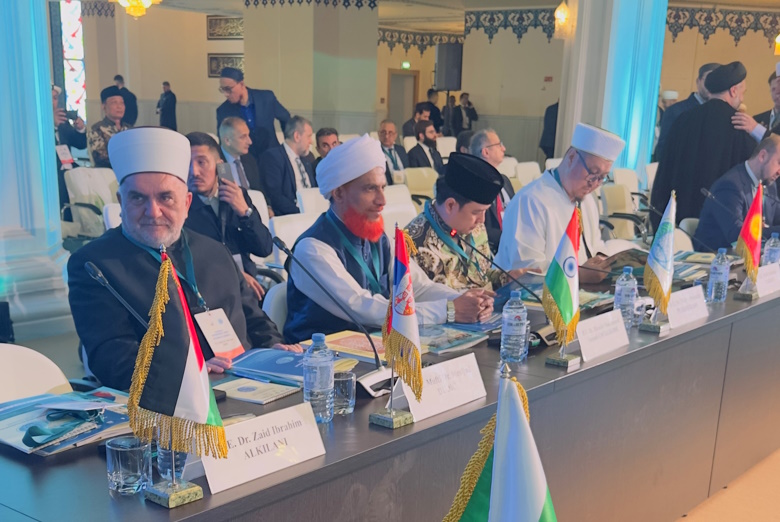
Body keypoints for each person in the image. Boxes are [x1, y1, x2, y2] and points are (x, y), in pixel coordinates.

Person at [67, 127, 297, 390]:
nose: (153, 212)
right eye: (138, 198)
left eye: (165, 197)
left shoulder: (215, 251)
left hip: (250, 387)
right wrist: (189, 376)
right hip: (170, 402)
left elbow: (254, 318)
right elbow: (114, 360)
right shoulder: (94, 265)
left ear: (186, 203)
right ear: (121, 201)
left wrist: (273, 348)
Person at [283, 134, 494, 343]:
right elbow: (361, 307)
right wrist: (449, 310)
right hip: (321, 358)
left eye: (383, 187)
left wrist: (466, 300)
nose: (382, 200)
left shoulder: (379, 238)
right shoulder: (312, 249)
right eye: (370, 189)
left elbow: (418, 287)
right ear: (338, 193)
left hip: (377, 348)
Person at [495, 123, 626, 283]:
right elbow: (526, 271)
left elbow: (594, 246)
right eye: (593, 173)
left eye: (602, 177)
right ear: (571, 158)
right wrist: (578, 275)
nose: (595, 184)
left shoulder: (587, 200)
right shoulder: (531, 201)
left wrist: (602, 261)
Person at [650, 61, 758, 230]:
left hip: (677, 214)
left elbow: (665, 166)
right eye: (743, 92)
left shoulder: (683, 119)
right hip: (720, 222)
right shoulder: (740, 126)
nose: (742, 98)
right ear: (733, 91)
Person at [406, 153, 533, 290]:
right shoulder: (411, 245)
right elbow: (419, 300)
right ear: (450, 205)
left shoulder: (475, 226)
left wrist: (507, 278)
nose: (482, 220)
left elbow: (481, 276)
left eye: (485, 211)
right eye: (476, 212)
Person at [184, 131, 272, 301]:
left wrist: (245, 212)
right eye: (187, 163)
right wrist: (233, 273)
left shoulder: (238, 196)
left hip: (248, 292)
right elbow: (187, 259)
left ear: (219, 166)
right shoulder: (181, 206)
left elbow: (264, 248)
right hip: (206, 292)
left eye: (201, 162)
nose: (194, 172)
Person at [694, 135, 780, 252]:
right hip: (716, 257)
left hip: (752, 257)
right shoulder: (730, 186)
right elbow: (737, 235)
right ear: (762, 156)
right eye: (779, 163)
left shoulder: (769, 184)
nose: (779, 171)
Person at [216, 67, 290, 162]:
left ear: (241, 84)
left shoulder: (266, 98)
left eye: (228, 89)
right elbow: (223, 141)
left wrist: (287, 146)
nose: (226, 94)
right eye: (222, 89)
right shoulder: (223, 110)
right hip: (245, 162)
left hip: (272, 157)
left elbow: (286, 118)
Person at [655, 63, 719, 160]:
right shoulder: (676, 111)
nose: (711, 85)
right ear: (698, 81)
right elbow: (663, 151)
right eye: (708, 80)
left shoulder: (720, 114)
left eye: (716, 81)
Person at [258, 115, 316, 216]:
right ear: (297, 136)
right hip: (290, 217)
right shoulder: (273, 157)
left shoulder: (308, 159)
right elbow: (275, 196)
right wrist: (303, 212)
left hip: (311, 213)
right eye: (308, 136)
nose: (311, 141)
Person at [470, 129, 515, 254]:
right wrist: (510, 238)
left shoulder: (504, 180)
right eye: (499, 145)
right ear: (486, 152)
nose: (504, 148)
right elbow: (477, 227)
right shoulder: (475, 183)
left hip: (513, 245)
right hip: (490, 249)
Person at [52, 85, 87, 217]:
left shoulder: (63, 121)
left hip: (68, 169)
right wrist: (52, 125)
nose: (53, 102)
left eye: (55, 98)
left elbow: (80, 144)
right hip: (52, 173)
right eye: (49, 98)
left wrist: (80, 129)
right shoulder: (34, 122)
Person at [87, 85, 132, 168]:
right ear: (103, 106)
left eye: (122, 103)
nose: (119, 106)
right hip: (106, 173)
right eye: (114, 103)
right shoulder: (97, 129)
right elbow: (101, 158)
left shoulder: (129, 129)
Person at [219, 116, 264, 193]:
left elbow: (259, 190)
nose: (250, 142)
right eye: (243, 137)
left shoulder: (249, 159)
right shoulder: (217, 162)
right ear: (227, 141)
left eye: (248, 135)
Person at [735, 71, 780, 140]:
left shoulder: (754, 125)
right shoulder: (757, 119)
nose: (777, 93)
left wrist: (756, 128)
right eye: (773, 89)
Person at [378, 119, 409, 185]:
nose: (386, 136)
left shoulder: (401, 150)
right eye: (383, 132)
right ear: (379, 134)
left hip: (405, 186)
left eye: (390, 133)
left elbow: (408, 169)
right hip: (388, 187)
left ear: (395, 135)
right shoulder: (376, 152)